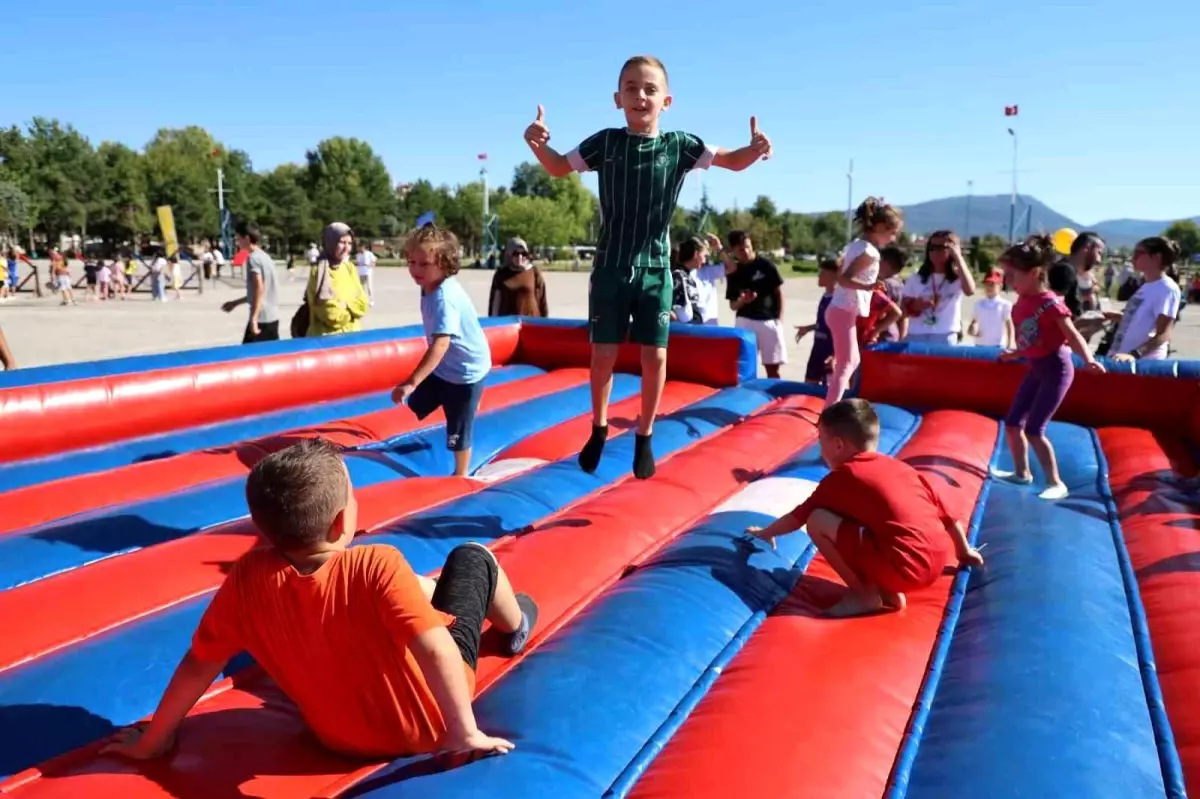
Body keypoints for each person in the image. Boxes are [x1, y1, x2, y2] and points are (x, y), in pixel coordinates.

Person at [102, 439, 535, 762]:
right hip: (429, 727)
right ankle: (515, 622)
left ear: (259, 525)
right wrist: (462, 732)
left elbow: (199, 664)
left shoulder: (246, 579)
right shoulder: (376, 564)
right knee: (472, 559)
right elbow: (436, 647)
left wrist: (154, 742)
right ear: (343, 520)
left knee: (417, 590)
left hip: (340, 739)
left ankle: (430, 593)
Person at [523, 54, 772, 480]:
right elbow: (558, 167)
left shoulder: (679, 146)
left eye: (650, 89)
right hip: (611, 266)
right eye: (631, 88)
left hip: (656, 267)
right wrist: (535, 142)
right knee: (603, 353)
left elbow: (731, 160)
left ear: (667, 101)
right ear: (617, 98)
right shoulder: (605, 143)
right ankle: (599, 428)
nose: (641, 95)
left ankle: (644, 434)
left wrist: (755, 149)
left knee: (655, 355)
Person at [745, 398, 985, 618]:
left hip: (903, 568)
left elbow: (799, 516)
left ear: (838, 445)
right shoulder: (902, 469)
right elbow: (948, 515)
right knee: (870, 522)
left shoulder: (844, 477)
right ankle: (887, 591)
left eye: (821, 441)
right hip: (935, 565)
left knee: (818, 520)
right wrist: (963, 552)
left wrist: (765, 533)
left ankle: (864, 595)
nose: (820, 449)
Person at [992, 235, 1104, 501]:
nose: (1008, 281)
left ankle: (1056, 482)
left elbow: (1071, 335)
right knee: (1011, 424)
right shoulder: (1020, 303)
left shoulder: (1050, 303)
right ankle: (1022, 473)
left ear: (1033, 273)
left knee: (1033, 430)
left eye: (1012, 275)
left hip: (1056, 369)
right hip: (1035, 367)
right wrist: (1016, 353)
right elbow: (1030, 338)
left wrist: (1088, 359)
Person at [392, 227, 492, 478]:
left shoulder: (444, 298)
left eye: (424, 264)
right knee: (417, 405)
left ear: (445, 265)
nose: (415, 270)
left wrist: (411, 381)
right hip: (447, 366)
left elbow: (440, 345)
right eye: (411, 262)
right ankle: (464, 402)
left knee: (457, 427)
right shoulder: (429, 284)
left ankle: (460, 473)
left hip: (465, 372)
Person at [824, 198, 902, 407]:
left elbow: (843, 274)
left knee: (851, 361)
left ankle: (833, 404)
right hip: (842, 311)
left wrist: (868, 286)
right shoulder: (870, 253)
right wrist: (869, 287)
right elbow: (843, 279)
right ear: (879, 227)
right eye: (892, 232)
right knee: (847, 363)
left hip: (842, 310)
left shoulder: (857, 246)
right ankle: (828, 412)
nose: (893, 238)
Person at [1105, 236, 1181, 361]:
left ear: (1157, 258)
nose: (1133, 258)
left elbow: (1164, 333)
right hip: (1121, 360)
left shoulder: (1167, 288)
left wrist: (1134, 355)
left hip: (1141, 364)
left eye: (1138, 253)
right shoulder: (1146, 286)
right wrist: (1118, 317)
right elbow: (1142, 321)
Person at [726, 230, 787, 379]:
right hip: (745, 322)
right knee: (744, 368)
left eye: (748, 246)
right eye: (741, 249)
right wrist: (743, 301)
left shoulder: (766, 265)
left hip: (768, 321)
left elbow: (779, 293)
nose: (746, 251)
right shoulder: (734, 271)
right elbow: (733, 305)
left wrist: (779, 319)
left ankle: (774, 397)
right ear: (733, 250)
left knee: (772, 369)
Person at [901, 230, 977, 345]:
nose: (935, 252)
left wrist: (958, 257)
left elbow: (970, 291)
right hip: (917, 334)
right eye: (932, 248)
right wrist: (916, 305)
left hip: (946, 335)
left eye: (941, 247)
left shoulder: (958, 278)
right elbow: (903, 309)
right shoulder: (916, 278)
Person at [307, 222, 370, 336]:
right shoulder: (319, 271)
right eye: (342, 242)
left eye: (349, 243)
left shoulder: (349, 268)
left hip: (353, 339)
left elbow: (363, 304)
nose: (347, 248)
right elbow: (331, 315)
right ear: (330, 242)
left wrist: (344, 305)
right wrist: (352, 311)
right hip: (328, 343)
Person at [222, 222, 281, 343]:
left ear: (247, 238)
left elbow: (259, 288)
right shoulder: (266, 257)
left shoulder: (253, 259)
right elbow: (258, 292)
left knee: (249, 358)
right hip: (272, 317)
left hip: (261, 319)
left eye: (238, 238)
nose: (237, 242)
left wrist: (254, 319)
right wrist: (235, 303)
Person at [1049, 231, 1105, 338]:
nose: (1099, 260)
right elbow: (1052, 316)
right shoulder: (1064, 272)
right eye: (1099, 253)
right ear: (1087, 247)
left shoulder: (1077, 275)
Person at [795, 259, 838, 385]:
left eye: (823, 273)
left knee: (828, 389)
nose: (819, 276)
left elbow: (843, 330)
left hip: (830, 350)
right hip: (818, 347)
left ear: (835, 275)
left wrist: (835, 355)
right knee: (809, 383)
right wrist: (809, 328)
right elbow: (827, 322)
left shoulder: (838, 300)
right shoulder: (826, 296)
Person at [488, 237, 548, 317]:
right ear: (509, 254)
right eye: (515, 254)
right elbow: (495, 303)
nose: (520, 257)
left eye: (523, 254)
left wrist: (544, 322)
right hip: (508, 325)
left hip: (531, 323)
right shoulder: (501, 274)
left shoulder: (534, 272)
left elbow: (542, 300)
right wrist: (494, 323)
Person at [967, 269, 1014, 348]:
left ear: (1000, 286)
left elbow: (1009, 326)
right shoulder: (979, 304)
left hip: (997, 345)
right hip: (979, 345)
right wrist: (972, 329)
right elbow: (973, 322)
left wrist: (1009, 345)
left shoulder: (1004, 304)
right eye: (986, 284)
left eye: (992, 284)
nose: (989, 287)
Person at [670, 236, 707, 324]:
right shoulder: (678, 276)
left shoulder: (687, 276)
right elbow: (669, 305)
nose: (705, 260)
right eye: (704, 255)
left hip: (692, 330)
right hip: (684, 332)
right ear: (696, 254)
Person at [878, 245, 908, 341]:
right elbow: (904, 315)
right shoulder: (901, 284)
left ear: (885, 263)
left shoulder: (884, 285)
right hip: (894, 334)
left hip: (882, 334)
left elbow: (880, 312)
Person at [356, 241, 377, 306]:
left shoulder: (369, 253)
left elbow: (374, 260)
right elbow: (358, 263)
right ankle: (363, 300)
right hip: (361, 272)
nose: (359, 248)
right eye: (359, 247)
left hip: (368, 272)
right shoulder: (358, 255)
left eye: (361, 247)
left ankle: (371, 300)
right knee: (361, 287)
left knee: (369, 287)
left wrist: (371, 265)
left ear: (364, 247)